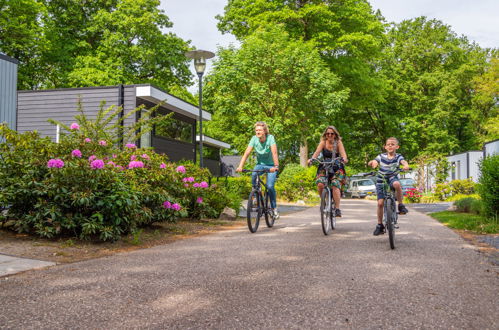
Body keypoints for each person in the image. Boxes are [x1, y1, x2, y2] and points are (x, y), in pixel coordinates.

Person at [236, 121, 280, 218]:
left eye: (260, 130)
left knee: (269, 186)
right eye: (256, 130)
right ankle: (255, 195)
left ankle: (274, 208)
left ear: (264, 131)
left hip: (271, 165)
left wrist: (276, 166)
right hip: (260, 164)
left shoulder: (270, 138)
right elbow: (247, 152)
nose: (257, 132)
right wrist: (240, 166)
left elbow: (275, 153)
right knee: (254, 174)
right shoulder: (254, 139)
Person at [367, 137, 410, 236]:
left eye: (393, 144)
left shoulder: (398, 156)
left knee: (397, 184)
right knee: (380, 203)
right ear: (385, 147)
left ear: (397, 147)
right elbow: (375, 161)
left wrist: (406, 165)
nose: (390, 145)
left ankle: (400, 205)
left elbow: (403, 162)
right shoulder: (381, 156)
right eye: (388, 144)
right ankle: (379, 225)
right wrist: (372, 163)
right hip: (381, 179)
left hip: (392, 177)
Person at [308, 126, 348, 217]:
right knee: (320, 183)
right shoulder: (323, 143)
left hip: (336, 166)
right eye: (328, 133)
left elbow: (344, 155)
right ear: (325, 135)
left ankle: (337, 209)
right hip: (324, 165)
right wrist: (311, 159)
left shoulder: (338, 143)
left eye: (332, 133)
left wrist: (344, 159)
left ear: (335, 135)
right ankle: (324, 203)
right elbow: (316, 153)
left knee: (335, 184)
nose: (329, 135)